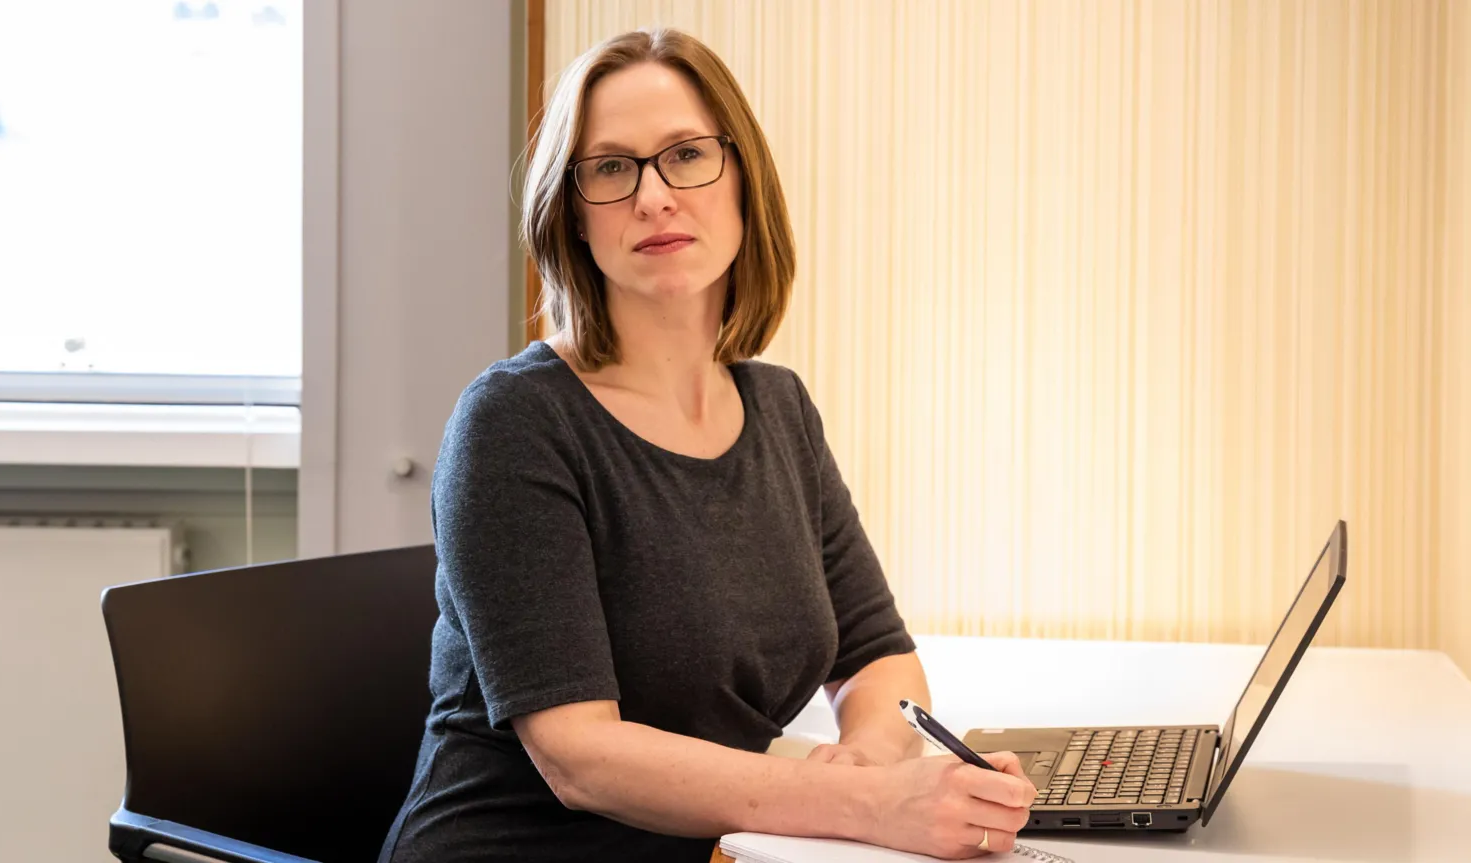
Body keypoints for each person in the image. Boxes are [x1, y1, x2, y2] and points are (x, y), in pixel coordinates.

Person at [377, 27, 1034, 863]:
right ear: (573, 213)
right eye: (612, 168)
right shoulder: (513, 422)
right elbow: (581, 756)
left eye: (686, 154)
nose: (653, 196)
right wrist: (866, 801)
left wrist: (869, 756)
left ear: (742, 181)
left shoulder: (779, 408)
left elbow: (880, 659)